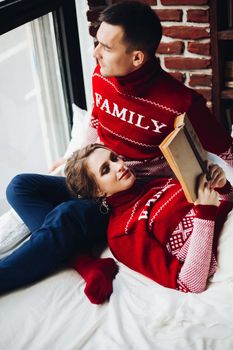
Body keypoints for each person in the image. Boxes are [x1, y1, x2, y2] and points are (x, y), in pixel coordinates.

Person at [4, 1, 233, 301]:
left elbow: (226, 151)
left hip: (129, 195)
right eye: (97, 42)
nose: (95, 53)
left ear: (137, 57)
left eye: (105, 47)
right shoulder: (101, 75)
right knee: (20, 187)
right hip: (99, 177)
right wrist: (77, 158)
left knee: (66, 215)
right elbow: (96, 122)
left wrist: (223, 187)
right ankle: (86, 264)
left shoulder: (181, 103)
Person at [65, 143, 233, 292]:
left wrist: (223, 187)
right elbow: (189, 283)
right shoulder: (122, 233)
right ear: (97, 191)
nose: (119, 167)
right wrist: (204, 214)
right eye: (106, 170)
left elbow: (222, 208)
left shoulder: (156, 184)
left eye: (115, 158)